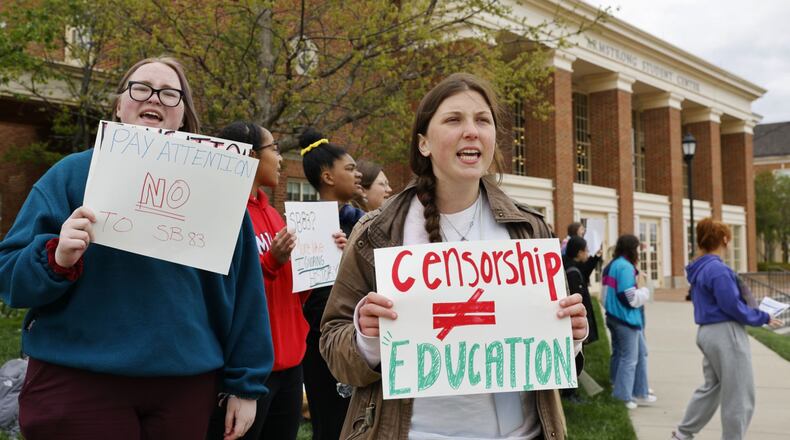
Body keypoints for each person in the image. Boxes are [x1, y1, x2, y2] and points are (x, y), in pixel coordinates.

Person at [0, 57, 273, 440]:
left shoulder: (220, 186)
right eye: (141, 88)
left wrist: (246, 384)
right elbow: (9, 277)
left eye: (170, 93)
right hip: (78, 382)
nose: (154, 98)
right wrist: (56, 258)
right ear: (118, 104)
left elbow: (246, 291)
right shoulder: (69, 176)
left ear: (183, 115)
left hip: (183, 389)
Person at [319, 73, 588, 439]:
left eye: (482, 120)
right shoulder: (376, 233)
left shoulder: (529, 230)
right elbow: (334, 345)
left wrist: (570, 337)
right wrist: (368, 339)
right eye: (453, 119)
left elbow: (550, 353)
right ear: (424, 143)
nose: (471, 131)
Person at [205, 122, 305, 440]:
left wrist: (320, 265)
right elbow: (224, 293)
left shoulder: (272, 213)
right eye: (274, 149)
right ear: (249, 155)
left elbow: (290, 292)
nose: (280, 158)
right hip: (249, 371)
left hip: (290, 365)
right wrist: (271, 261)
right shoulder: (223, 213)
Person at [671, 218, 782, 440]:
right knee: (739, 394)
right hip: (725, 333)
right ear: (724, 239)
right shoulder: (718, 270)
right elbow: (731, 306)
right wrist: (763, 316)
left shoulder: (700, 268)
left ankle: (682, 434)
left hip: (707, 332)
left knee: (711, 388)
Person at [299, 128, 363, 440]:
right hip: (318, 343)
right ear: (327, 177)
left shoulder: (363, 222)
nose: (358, 174)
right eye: (350, 168)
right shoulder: (302, 228)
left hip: (361, 339)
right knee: (329, 426)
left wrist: (354, 252)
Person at [602, 234, 654, 410]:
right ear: (632, 249)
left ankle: (639, 391)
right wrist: (645, 291)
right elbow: (629, 297)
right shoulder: (625, 267)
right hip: (625, 319)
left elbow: (607, 294)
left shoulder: (614, 265)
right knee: (629, 358)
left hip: (616, 316)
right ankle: (623, 396)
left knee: (636, 353)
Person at [564, 236, 599, 345]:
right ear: (579, 253)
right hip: (576, 329)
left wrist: (596, 257)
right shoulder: (573, 273)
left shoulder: (570, 265)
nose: (588, 253)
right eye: (586, 250)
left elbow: (585, 271)